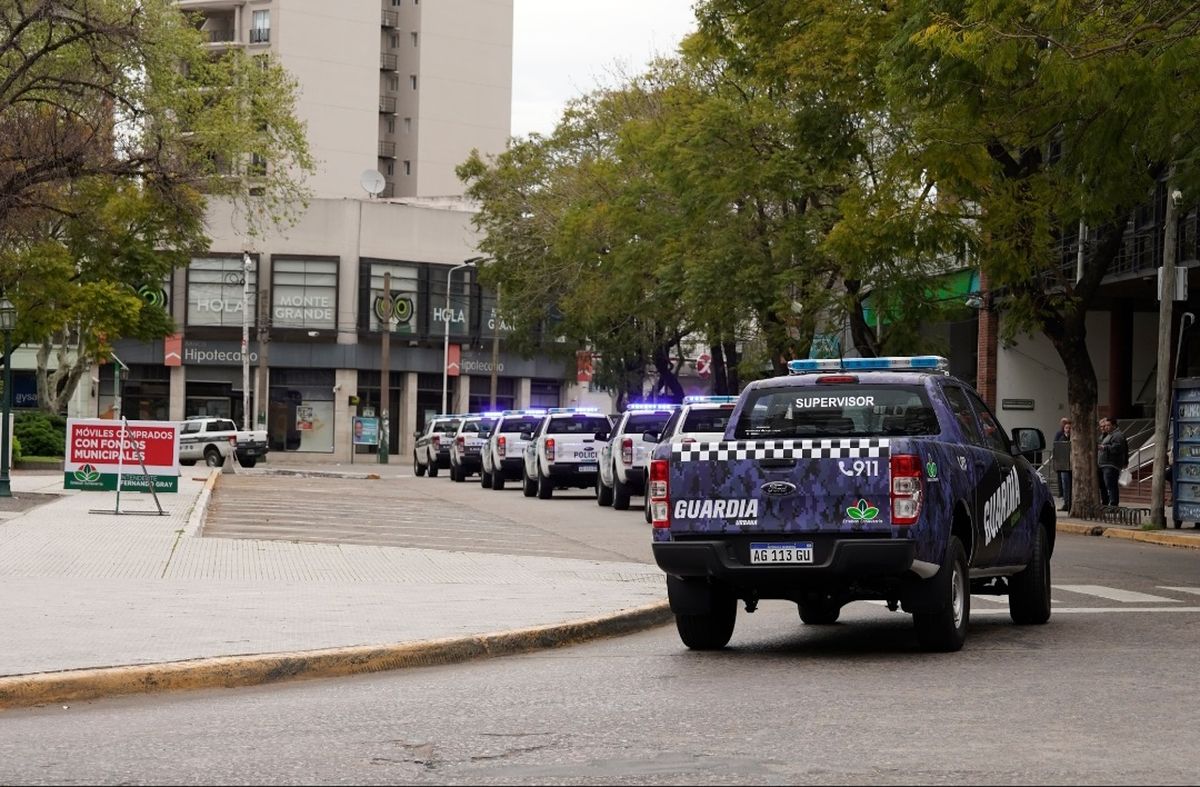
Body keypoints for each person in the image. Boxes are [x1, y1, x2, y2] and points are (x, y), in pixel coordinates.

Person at [1097, 417, 1129, 507]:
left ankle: (1114, 504)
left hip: (1111, 464)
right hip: (1103, 463)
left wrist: (1104, 447)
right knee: (1103, 484)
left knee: (1110, 484)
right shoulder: (1108, 435)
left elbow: (1118, 448)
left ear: (1114, 426)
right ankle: (1105, 502)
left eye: (1108, 425)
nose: (1106, 427)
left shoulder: (1118, 435)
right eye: (1105, 425)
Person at [1052, 418, 1072, 512]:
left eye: (1069, 428)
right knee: (1065, 485)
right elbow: (1056, 448)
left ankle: (1070, 503)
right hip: (1063, 465)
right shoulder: (1060, 437)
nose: (1068, 429)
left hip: (1072, 466)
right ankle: (1066, 503)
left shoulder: (1073, 438)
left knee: (1070, 485)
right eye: (1066, 427)